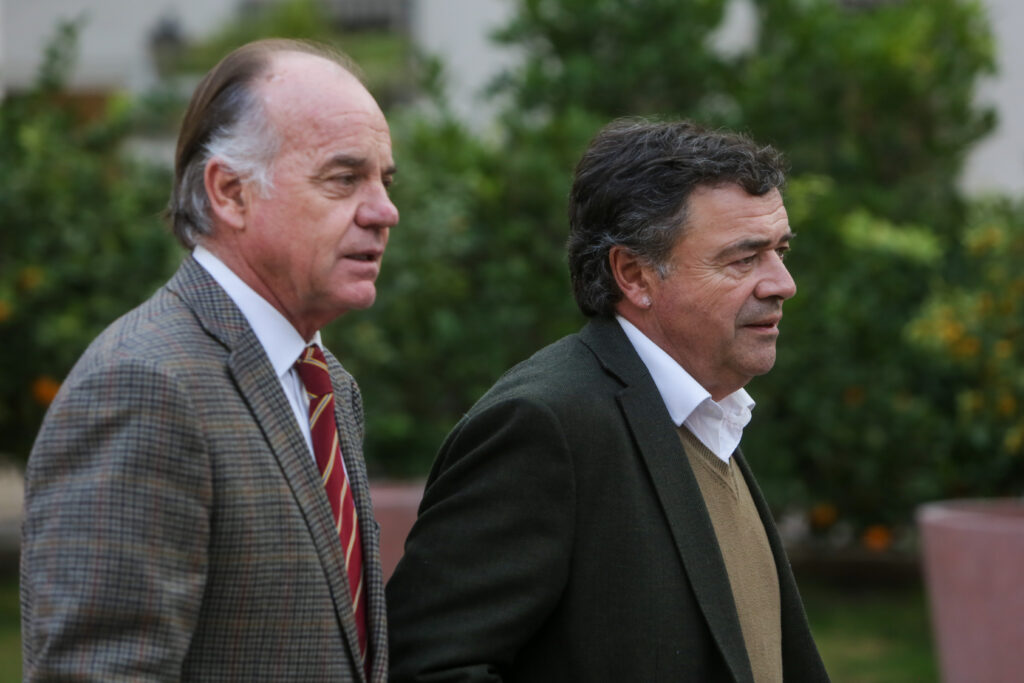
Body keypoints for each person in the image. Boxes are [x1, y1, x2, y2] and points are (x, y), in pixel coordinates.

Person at [386, 119, 829, 682]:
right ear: (634, 275)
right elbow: (428, 666)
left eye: (780, 251)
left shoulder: (708, 416)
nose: (782, 283)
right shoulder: (544, 425)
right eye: (744, 259)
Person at [20, 38, 398, 681]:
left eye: (384, 181)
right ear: (230, 192)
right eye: (343, 178)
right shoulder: (142, 384)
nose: (385, 212)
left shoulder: (324, 383)